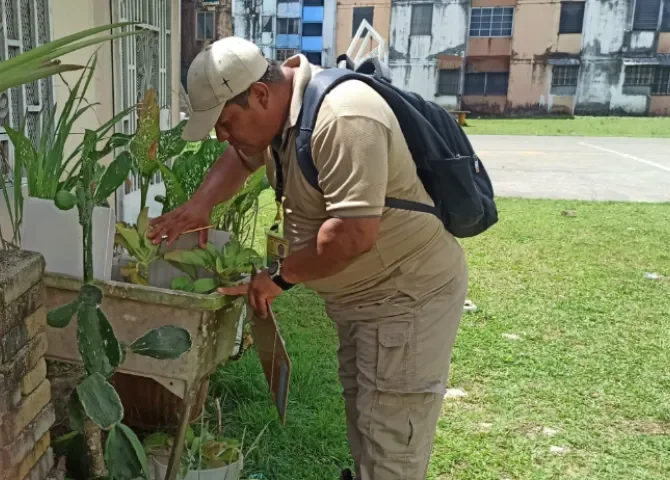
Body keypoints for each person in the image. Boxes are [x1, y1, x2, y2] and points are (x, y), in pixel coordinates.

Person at [148, 36, 469, 480]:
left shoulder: (342, 118)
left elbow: (353, 234)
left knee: (392, 440)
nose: (222, 134)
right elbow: (240, 157)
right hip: (362, 299)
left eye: (224, 121)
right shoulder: (281, 115)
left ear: (260, 94)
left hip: (404, 296)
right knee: (368, 419)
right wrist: (201, 204)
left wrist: (279, 278)